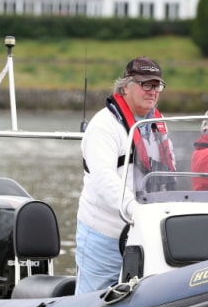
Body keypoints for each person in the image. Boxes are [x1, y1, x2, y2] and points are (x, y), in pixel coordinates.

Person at [75, 56, 175, 294]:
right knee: (91, 304)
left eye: (157, 85)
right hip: (104, 233)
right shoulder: (104, 126)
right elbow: (103, 180)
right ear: (125, 86)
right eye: (146, 84)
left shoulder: (157, 125)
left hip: (147, 232)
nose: (153, 91)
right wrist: (136, 209)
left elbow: (170, 172)